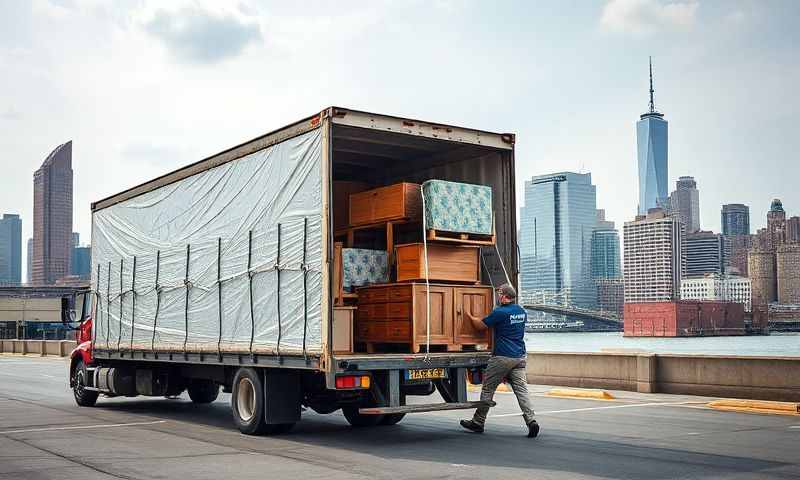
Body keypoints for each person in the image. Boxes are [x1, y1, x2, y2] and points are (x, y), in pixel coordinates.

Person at [459, 283, 539, 437]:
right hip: (520, 357)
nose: (498, 296)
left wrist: (469, 315)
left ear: (503, 296)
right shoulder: (521, 312)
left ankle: (478, 422)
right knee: (521, 391)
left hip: (502, 357)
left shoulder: (500, 312)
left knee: (488, 389)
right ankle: (531, 421)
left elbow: (480, 326)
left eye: (499, 294)